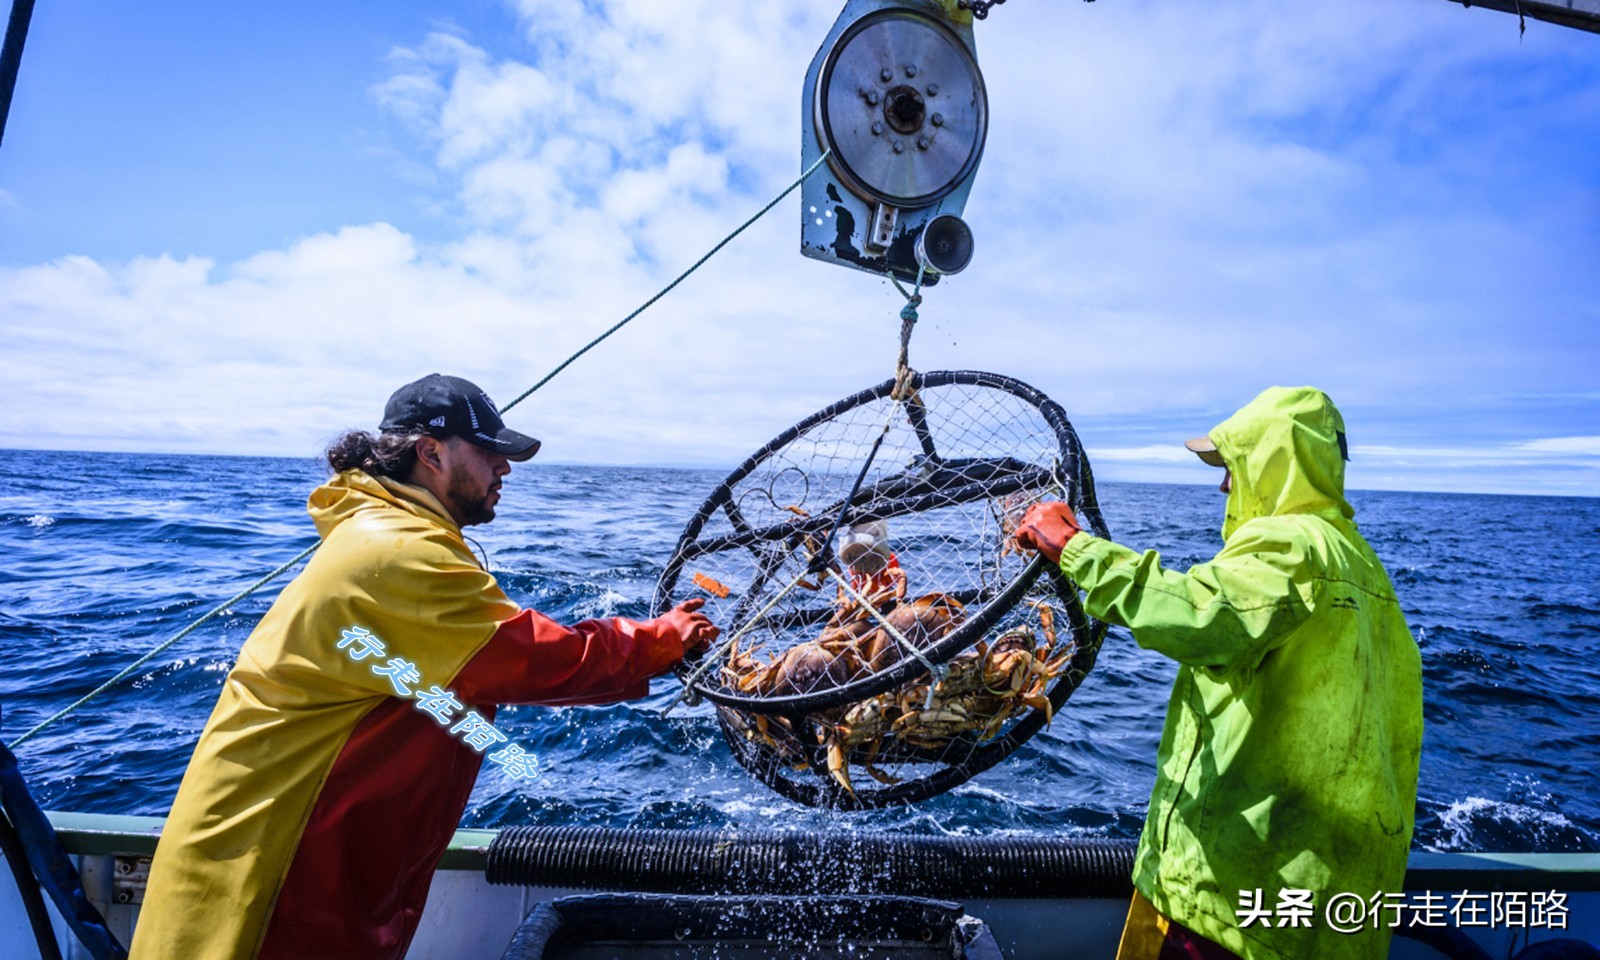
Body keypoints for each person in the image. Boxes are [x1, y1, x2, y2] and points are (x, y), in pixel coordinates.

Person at [130, 373, 718, 960]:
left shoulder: (387, 537)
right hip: (266, 884)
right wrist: (662, 639)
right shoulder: (396, 554)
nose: (504, 468)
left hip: (307, 864)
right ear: (430, 453)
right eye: (489, 452)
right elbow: (536, 660)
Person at [1014, 386, 1422, 960]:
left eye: (1233, 465)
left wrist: (1075, 549)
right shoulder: (1365, 568)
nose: (1224, 486)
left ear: (1274, 463)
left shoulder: (1290, 545)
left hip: (1235, 905)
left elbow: (1198, 614)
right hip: (1333, 912)